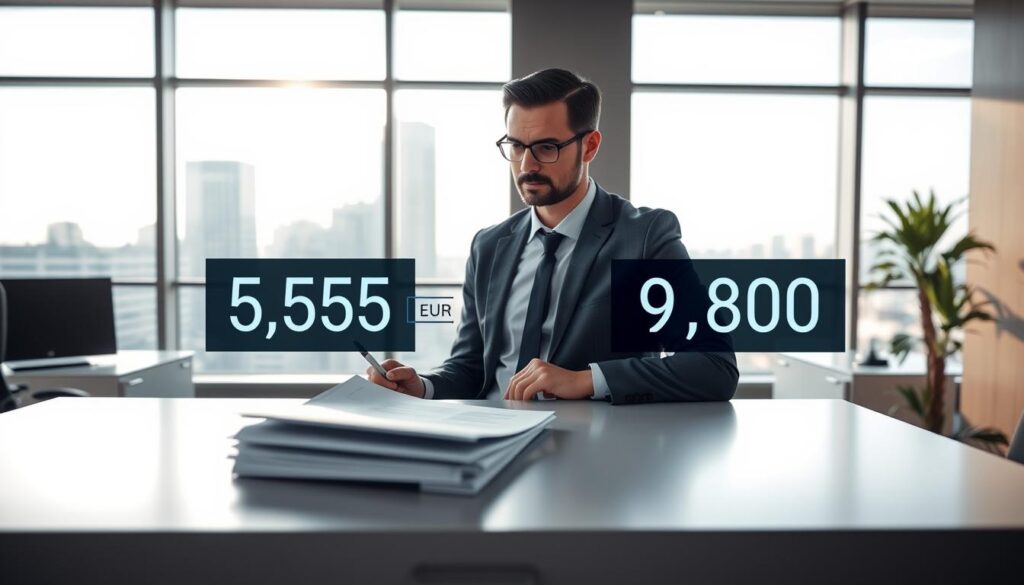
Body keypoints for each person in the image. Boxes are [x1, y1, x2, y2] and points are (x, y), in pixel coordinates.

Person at [367, 68, 738, 404]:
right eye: (516, 146)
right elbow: (470, 368)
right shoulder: (488, 246)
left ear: (589, 146)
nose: (527, 165)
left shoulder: (643, 237)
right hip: (487, 438)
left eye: (547, 147)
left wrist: (585, 380)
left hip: (592, 447)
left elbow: (714, 366)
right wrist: (423, 387)